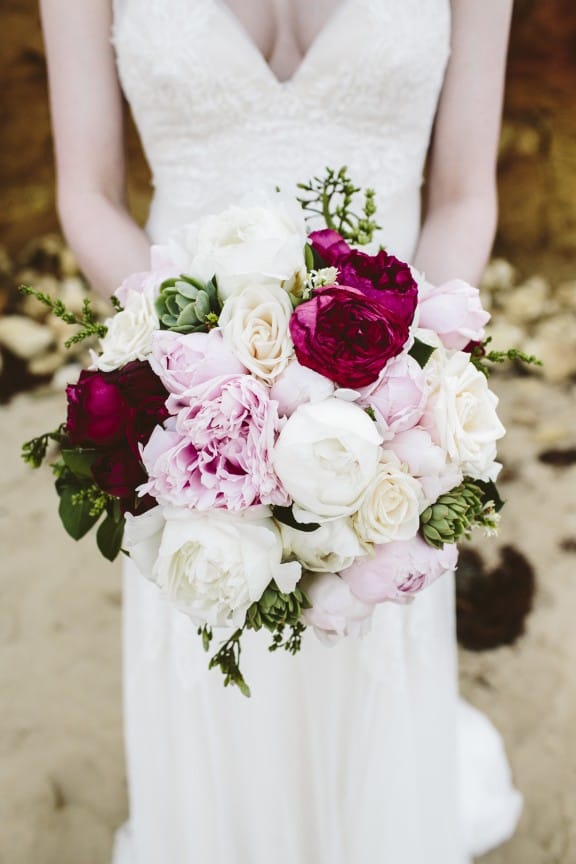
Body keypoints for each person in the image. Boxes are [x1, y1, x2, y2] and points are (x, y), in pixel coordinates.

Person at [39, 1, 523, 861]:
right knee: (215, 612)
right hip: (194, 404)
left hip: (387, 402)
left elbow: (461, 194)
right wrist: (202, 367)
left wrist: (408, 378)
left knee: (367, 628)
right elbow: (89, 195)